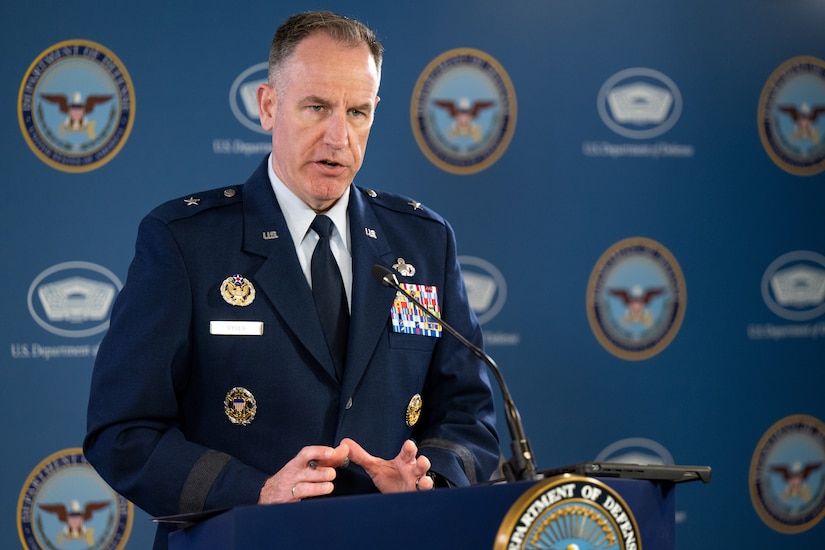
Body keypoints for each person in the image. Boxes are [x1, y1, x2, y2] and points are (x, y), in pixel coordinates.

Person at [83, 10, 500, 548]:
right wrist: (254, 491)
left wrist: (429, 478)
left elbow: (469, 413)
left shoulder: (423, 242)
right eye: (317, 107)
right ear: (267, 106)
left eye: (357, 112)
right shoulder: (186, 242)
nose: (338, 136)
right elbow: (122, 431)